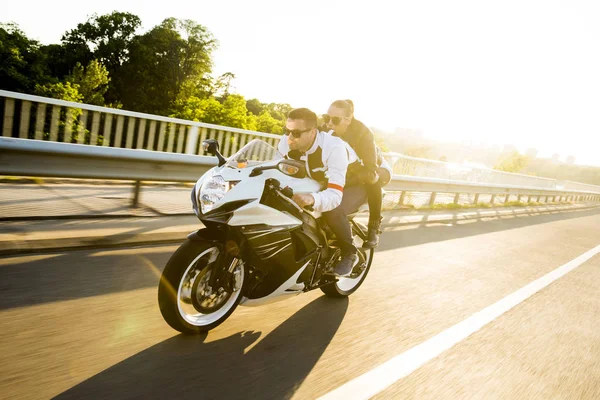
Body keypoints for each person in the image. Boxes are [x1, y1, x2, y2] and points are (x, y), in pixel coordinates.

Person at [277, 107, 367, 277]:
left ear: (312, 132)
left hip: (354, 183)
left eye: (296, 133)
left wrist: (312, 198)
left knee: (332, 210)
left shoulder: (334, 147)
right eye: (286, 131)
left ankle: (349, 252)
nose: (289, 138)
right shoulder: (285, 142)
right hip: (323, 180)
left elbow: (334, 195)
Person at [322, 100, 391, 248]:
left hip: (375, 166)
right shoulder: (326, 128)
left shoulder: (363, 133)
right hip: (352, 166)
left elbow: (369, 172)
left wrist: (346, 182)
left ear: (348, 119)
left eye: (335, 120)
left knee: (372, 179)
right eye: (326, 118)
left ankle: (374, 226)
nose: (328, 123)